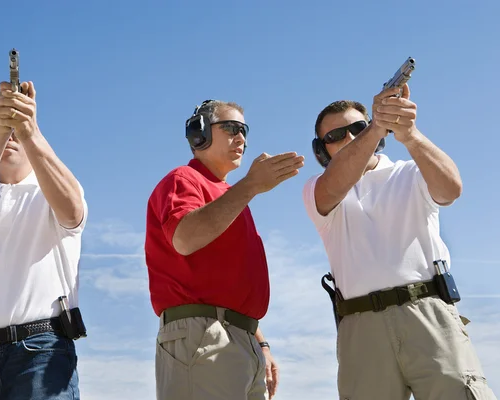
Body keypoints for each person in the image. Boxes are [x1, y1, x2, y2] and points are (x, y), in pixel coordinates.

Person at [302, 83, 496, 399]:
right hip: (360, 327)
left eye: (357, 128)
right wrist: (377, 126)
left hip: (429, 315)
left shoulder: (410, 172)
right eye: (335, 136)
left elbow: (451, 189)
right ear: (321, 150)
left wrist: (410, 136)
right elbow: (332, 186)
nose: (349, 138)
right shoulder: (318, 189)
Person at [145, 99, 305, 400]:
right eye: (231, 128)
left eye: (244, 130)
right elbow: (185, 238)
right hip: (203, 335)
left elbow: (230, 287)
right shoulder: (183, 179)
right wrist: (251, 186)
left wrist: (261, 344)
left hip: (240, 338)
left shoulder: (231, 196)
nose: (241, 138)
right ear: (199, 133)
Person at [0, 80, 88, 399]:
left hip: (41, 351)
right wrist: (2, 124)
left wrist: (28, 130)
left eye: (12, 125)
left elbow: (71, 209)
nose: (7, 133)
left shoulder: (53, 188)